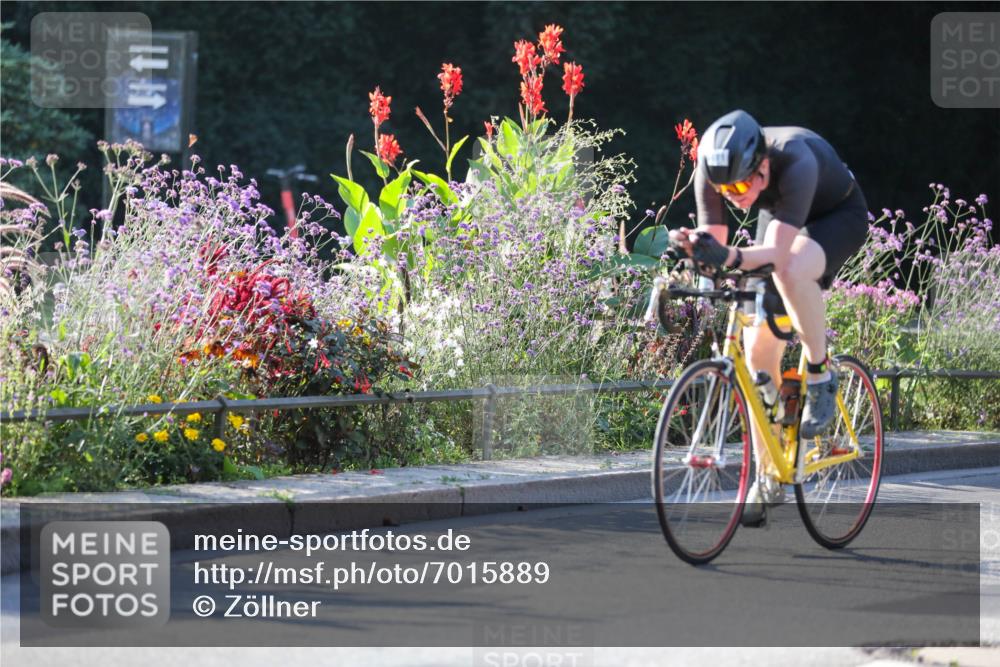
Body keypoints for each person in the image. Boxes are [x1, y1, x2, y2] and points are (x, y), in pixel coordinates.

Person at [668, 109, 868, 525]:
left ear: (762, 167)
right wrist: (694, 253)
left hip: (835, 215)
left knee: (790, 269)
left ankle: (819, 370)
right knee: (758, 357)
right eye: (726, 190)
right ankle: (769, 471)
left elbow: (775, 256)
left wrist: (728, 257)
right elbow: (719, 246)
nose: (735, 196)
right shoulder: (714, 171)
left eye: (742, 185)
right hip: (780, 215)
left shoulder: (796, 160)